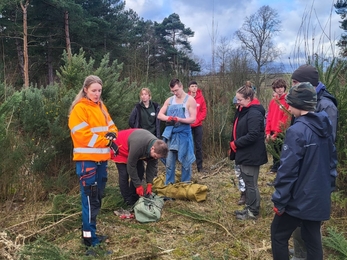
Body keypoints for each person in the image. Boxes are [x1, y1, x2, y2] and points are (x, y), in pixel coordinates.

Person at [271, 82, 337, 260]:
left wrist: (280, 201)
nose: (289, 107)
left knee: (278, 235)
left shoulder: (297, 131)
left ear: (299, 105)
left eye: (291, 103)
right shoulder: (325, 127)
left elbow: (287, 171)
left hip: (298, 200)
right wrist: (328, 189)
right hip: (318, 197)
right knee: (312, 238)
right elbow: (332, 162)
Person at [289, 64, 339, 260]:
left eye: (294, 82)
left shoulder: (326, 105)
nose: (291, 86)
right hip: (302, 168)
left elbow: (326, 142)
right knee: (297, 215)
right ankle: (300, 252)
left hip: (314, 172)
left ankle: (309, 254)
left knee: (310, 220)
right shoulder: (302, 99)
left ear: (306, 83)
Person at [68, 75, 119, 251]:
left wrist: (112, 135)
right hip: (87, 163)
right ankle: (89, 241)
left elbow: (112, 126)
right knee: (89, 201)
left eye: (99, 90)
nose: (97, 94)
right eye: (93, 90)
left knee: (96, 200)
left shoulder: (101, 107)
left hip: (101, 162)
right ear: (85, 90)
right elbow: (82, 136)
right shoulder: (79, 109)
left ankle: (91, 234)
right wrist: (106, 140)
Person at [231, 85, 268, 220]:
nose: (237, 101)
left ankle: (253, 212)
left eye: (240, 99)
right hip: (246, 153)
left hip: (252, 155)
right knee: (248, 183)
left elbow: (253, 135)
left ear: (248, 98)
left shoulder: (254, 113)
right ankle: (249, 207)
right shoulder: (245, 110)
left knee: (251, 184)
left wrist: (236, 143)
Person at [111, 128, 168, 206]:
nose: (155, 158)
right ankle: (127, 200)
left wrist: (149, 184)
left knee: (140, 171)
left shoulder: (157, 148)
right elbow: (131, 166)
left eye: (157, 157)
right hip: (121, 146)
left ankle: (134, 196)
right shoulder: (139, 147)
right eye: (155, 156)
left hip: (135, 148)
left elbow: (151, 167)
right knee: (124, 174)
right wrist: (138, 185)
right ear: (152, 148)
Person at [158, 78, 197, 185]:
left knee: (185, 162)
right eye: (173, 91)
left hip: (184, 134)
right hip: (171, 135)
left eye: (176, 90)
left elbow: (193, 119)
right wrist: (168, 118)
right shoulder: (169, 100)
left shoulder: (190, 100)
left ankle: (185, 185)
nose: (175, 93)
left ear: (181, 87)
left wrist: (180, 119)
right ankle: (169, 186)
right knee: (169, 162)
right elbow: (160, 115)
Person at [265, 79, 290, 185]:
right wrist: (267, 132)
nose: (279, 90)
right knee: (275, 156)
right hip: (272, 132)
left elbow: (285, 120)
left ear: (284, 88)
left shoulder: (287, 102)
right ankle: (276, 177)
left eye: (281, 87)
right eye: (277, 88)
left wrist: (276, 134)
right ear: (274, 89)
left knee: (282, 157)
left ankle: (281, 180)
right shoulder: (273, 101)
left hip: (281, 133)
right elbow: (269, 117)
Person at [188, 80, 207, 173]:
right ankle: (188, 168)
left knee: (198, 146)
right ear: (189, 88)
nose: (194, 88)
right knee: (189, 145)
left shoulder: (201, 98)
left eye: (195, 86)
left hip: (198, 125)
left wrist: (197, 119)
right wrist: (189, 120)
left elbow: (203, 111)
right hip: (188, 126)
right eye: (192, 86)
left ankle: (200, 167)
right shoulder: (186, 98)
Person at [230, 96, 246, 205]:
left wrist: (237, 143)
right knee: (238, 171)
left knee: (244, 172)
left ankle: (246, 194)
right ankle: (243, 191)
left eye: (238, 104)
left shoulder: (248, 114)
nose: (237, 106)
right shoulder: (238, 113)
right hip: (235, 146)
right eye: (236, 105)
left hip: (243, 147)